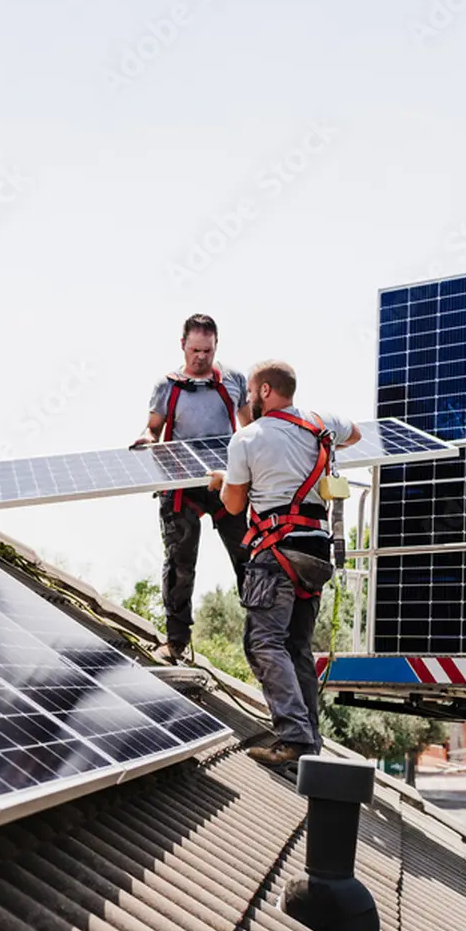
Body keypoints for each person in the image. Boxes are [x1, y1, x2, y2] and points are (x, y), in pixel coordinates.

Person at [208, 360, 361, 767]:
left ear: (262, 392)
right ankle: (309, 744)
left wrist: (224, 482)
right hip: (315, 552)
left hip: (275, 554)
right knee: (296, 648)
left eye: (252, 393)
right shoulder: (319, 423)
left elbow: (235, 506)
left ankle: (293, 736)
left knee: (262, 643)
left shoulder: (248, 438)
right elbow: (357, 433)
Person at [132, 313, 252, 663]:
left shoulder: (233, 381)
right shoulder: (166, 386)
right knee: (180, 563)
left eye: (208, 351)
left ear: (217, 347)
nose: (201, 357)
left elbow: (251, 428)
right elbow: (153, 429)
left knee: (248, 556)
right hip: (181, 484)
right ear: (182, 344)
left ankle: (263, 636)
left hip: (225, 481)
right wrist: (146, 437)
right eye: (195, 350)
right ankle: (176, 642)